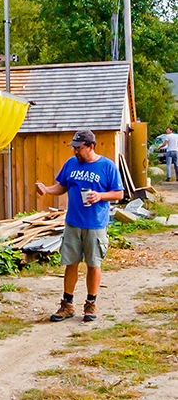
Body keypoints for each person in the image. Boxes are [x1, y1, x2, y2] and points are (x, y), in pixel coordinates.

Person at [36, 129, 123, 323]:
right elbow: (62, 186)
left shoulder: (107, 166)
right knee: (71, 263)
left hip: (95, 224)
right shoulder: (71, 163)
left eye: (79, 148)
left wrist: (101, 196)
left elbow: (119, 193)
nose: (75, 151)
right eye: (74, 148)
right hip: (73, 223)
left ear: (91, 146)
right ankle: (67, 305)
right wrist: (47, 190)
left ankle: (90, 304)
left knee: (93, 264)